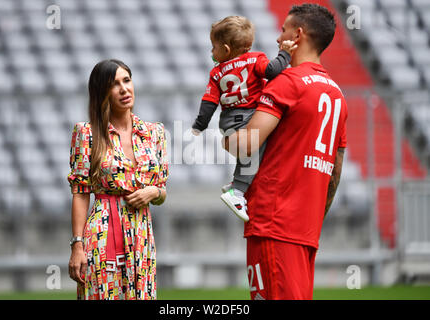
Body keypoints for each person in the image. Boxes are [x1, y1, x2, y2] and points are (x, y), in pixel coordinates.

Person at [224, 4, 347, 300]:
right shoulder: (337, 94)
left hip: (273, 223)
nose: (279, 39)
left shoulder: (287, 83)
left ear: (299, 34)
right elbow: (335, 170)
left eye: (283, 31)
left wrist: (227, 134)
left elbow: (247, 144)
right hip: (306, 230)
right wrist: (314, 217)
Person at [67, 59, 168, 300]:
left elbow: (162, 190)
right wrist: (77, 246)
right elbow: (81, 192)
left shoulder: (154, 132)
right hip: (101, 233)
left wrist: (153, 193)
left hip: (142, 235)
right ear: (102, 92)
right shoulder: (86, 133)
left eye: (127, 80)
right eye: (115, 84)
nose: (124, 89)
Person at [192, 15, 297, 222]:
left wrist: (200, 124)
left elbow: (209, 102)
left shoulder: (216, 72)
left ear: (226, 49)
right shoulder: (255, 59)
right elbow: (273, 71)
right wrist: (284, 54)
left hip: (228, 121)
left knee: (254, 151)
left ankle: (237, 184)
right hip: (248, 115)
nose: (212, 52)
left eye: (213, 47)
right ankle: (238, 191)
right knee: (256, 150)